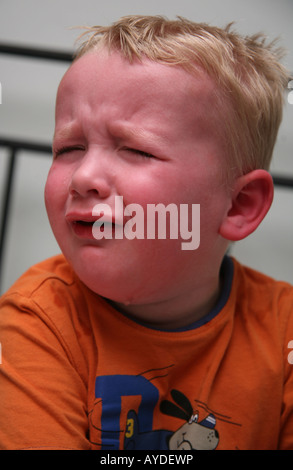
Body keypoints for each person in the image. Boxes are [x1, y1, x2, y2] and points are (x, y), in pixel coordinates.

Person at [0, 15, 292, 451]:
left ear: (238, 205)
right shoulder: (34, 324)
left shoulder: (284, 329)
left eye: (136, 149)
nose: (83, 176)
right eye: (68, 148)